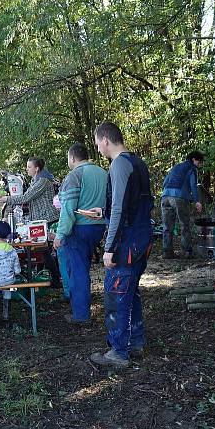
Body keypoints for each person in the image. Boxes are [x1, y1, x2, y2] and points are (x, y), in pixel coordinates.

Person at [89, 122, 154, 368]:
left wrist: (108, 247)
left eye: (97, 143)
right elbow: (130, 205)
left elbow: (119, 209)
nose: (98, 148)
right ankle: (136, 341)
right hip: (142, 236)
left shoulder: (119, 164)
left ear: (105, 140)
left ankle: (118, 351)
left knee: (116, 294)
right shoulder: (138, 162)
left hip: (127, 242)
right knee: (131, 291)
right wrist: (103, 212)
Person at [53, 143, 108, 323]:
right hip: (98, 226)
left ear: (72, 158)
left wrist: (60, 235)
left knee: (77, 271)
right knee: (83, 268)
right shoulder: (103, 173)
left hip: (79, 229)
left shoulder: (74, 176)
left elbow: (68, 210)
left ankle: (81, 315)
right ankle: (84, 309)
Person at [0, 157, 62, 287]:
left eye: (29, 167)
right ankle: (47, 277)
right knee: (43, 251)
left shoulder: (43, 182)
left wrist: (8, 199)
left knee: (46, 251)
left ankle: (56, 280)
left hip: (49, 219)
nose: (26, 169)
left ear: (37, 168)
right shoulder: (35, 181)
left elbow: (26, 197)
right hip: (41, 220)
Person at [161, 151, 204, 259]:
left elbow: (165, 182)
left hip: (165, 196)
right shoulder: (191, 169)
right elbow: (193, 185)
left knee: (167, 226)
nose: (201, 164)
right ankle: (186, 252)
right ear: (194, 159)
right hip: (179, 197)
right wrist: (197, 201)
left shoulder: (176, 167)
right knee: (184, 225)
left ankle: (167, 252)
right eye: (200, 161)